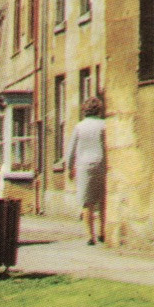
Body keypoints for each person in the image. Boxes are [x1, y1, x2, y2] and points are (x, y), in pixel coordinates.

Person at [66, 96, 108, 245]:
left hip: (84, 166)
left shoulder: (79, 127)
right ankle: (103, 232)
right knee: (103, 200)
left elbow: (71, 150)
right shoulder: (105, 125)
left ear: (85, 110)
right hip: (101, 164)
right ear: (99, 110)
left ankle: (90, 235)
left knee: (86, 202)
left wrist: (69, 167)